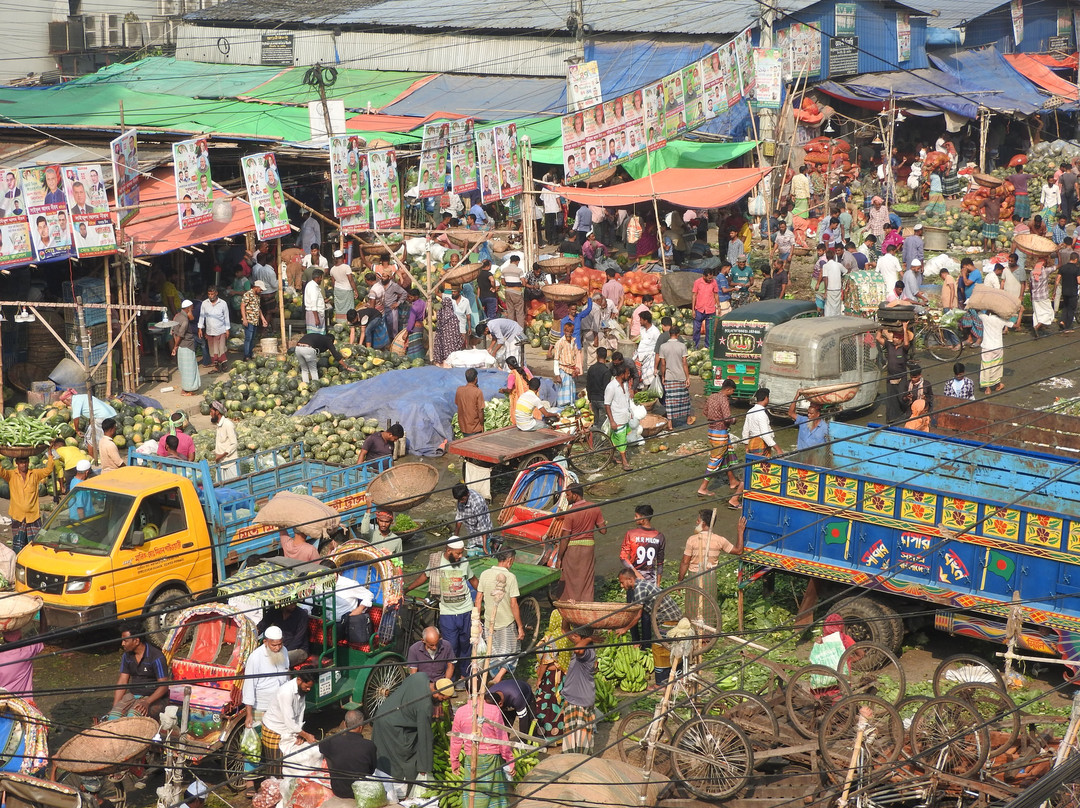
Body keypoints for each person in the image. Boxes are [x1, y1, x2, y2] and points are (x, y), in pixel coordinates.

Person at [407, 539, 478, 686]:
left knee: (466, 645)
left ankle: (464, 676)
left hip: (466, 610)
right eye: (458, 553)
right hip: (447, 613)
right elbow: (424, 576)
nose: (460, 556)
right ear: (448, 551)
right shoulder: (436, 562)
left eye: (461, 553)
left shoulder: (464, 563)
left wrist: (484, 594)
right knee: (450, 646)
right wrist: (407, 589)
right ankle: (450, 679)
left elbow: (473, 580)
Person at [372, 673, 453, 796]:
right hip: (393, 726)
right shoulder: (425, 706)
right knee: (400, 754)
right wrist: (424, 767)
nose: (442, 702)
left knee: (382, 752)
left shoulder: (420, 677)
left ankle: (381, 778)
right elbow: (425, 736)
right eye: (443, 699)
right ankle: (398, 785)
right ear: (438, 693)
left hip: (382, 714)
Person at [241, 625, 290, 792]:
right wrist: (249, 714)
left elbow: (286, 675)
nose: (277, 648)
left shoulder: (284, 651)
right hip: (260, 707)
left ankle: (274, 778)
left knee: (276, 743)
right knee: (254, 745)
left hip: (279, 707)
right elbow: (249, 686)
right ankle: (249, 783)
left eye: (280, 644)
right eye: (274, 645)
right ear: (266, 642)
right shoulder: (255, 658)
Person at [450, 691, 515, 808]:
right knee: (494, 794)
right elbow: (502, 738)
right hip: (491, 758)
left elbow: (456, 740)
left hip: (471, 757)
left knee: (474, 792)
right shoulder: (494, 710)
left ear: (467, 691)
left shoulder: (460, 711)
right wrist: (509, 760)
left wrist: (454, 761)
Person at [474, 548, 524, 683]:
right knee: (512, 650)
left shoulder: (485, 574)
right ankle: (498, 677)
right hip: (506, 622)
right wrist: (520, 626)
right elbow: (513, 604)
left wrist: (477, 621)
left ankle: (495, 677)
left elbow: (478, 599)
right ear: (510, 560)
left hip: (489, 621)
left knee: (493, 652)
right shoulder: (510, 577)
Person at [260, 667, 318, 777]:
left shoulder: (301, 691)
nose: (308, 689)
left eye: (310, 687)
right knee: (276, 767)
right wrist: (306, 735)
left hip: (288, 730)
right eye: (307, 686)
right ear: (299, 680)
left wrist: (299, 734)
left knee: (287, 765)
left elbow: (300, 714)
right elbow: (290, 721)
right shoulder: (286, 692)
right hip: (274, 730)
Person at [556, 484, 606, 602]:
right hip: (588, 549)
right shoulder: (595, 507)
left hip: (572, 550)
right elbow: (603, 531)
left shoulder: (571, 513)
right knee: (587, 580)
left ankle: (569, 604)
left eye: (568, 495)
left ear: (575, 495)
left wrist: (559, 557)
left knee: (569, 580)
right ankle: (586, 605)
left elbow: (565, 538)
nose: (567, 497)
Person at [110, 623, 169, 719]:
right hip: (133, 695)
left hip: (153, 697)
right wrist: (114, 706)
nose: (122, 644)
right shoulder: (126, 656)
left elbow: (164, 686)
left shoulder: (156, 657)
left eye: (125, 641)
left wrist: (147, 702)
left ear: (136, 641)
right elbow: (122, 681)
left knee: (133, 718)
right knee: (113, 718)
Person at [0, 449, 55, 553]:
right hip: (18, 516)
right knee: (19, 545)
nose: (23, 465)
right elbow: (1, 471)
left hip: (33, 516)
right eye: (21, 462)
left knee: (35, 545)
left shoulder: (35, 474)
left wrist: (50, 454)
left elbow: (48, 470)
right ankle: (20, 560)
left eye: (25, 462)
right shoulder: (11, 475)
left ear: (28, 462)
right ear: (17, 463)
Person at [697, 378, 741, 506]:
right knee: (716, 459)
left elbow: (705, 412)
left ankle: (732, 481)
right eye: (732, 391)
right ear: (728, 389)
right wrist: (734, 420)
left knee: (726, 454)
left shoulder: (712, 397)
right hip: (720, 433)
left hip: (711, 431)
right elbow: (727, 418)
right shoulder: (724, 399)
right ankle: (703, 487)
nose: (732, 394)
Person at [319, 710, 378, 799]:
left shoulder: (332, 742)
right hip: (361, 791)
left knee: (329, 755)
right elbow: (372, 769)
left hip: (339, 791)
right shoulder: (369, 746)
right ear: (361, 727)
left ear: (344, 724)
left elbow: (321, 747)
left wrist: (341, 731)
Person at [561, 629, 597, 754]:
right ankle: (572, 759)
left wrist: (589, 638)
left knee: (581, 738)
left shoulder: (587, 652)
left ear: (583, 639)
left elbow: (578, 650)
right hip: (574, 698)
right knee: (571, 735)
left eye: (575, 636)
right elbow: (564, 630)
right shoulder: (583, 648)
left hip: (580, 701)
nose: (572, 638)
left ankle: (581, 760)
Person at [657, 321, 692, 428]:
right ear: (678, 334)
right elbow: (684, 363)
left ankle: (670, 423)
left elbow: (663, 364)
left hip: (669, 376)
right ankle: (688, 418)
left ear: (669, 334)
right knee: (684, 398)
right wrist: (687, 377)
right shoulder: (682, 346)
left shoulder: (663, 347)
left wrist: (663, 376)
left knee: (670, 400)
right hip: (681, 376)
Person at [620, 504, 665, 585]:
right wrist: (658, 584)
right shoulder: (659, 536)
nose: (634, 518)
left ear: (643, 519)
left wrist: (637, 574)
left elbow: (623, 557)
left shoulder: (631, 534)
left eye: (636, 516)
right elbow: (660, 563)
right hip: (651, 579)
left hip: (634, 578)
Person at [876, 324, 912, 424]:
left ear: (901, 339)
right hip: (890, 377)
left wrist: (904, 328)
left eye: (896, 337)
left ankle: (905, 413)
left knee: (902, 397)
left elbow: (906, 343)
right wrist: (880, 327)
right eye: (894, 337)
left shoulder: (904, 349)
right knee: (891, 399)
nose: (894, 339)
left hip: (901, 377)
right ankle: (892, 418)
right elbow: (878, 338)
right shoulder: (889, 345)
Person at [603, 364, 634, 470]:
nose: (629, 375)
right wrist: (612, 421)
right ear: (622, 374)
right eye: (627, 373)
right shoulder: (611, 387)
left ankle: (611, 455)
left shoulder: (625, 384)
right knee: (621, 441)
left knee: (618, 439)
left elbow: (626, 400)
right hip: (617, 418)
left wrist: (630, 412)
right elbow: (607, 405)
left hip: (625, 417)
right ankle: (624, 462)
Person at [0, 629, 42, 701]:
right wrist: (43, 621)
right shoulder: (27, 651)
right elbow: (43, 637)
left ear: (4, 638)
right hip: (24, 703)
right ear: (20, 636)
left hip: (2, 701)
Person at [453, 482, 494, 556]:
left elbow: (482, 526)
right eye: (459, 500)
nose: (460, 502)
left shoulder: (477, 502)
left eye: (462, 499)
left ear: (467, 494)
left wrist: (484, 547)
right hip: (471, 533)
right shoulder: (460, 500)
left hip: (483, 534)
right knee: (471, 556)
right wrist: (455, 539)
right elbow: (459, 519)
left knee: (483, 557)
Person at [171, 299, 202, 394]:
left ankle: (185, 388)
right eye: (191, 309)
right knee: (190, 368)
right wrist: (175, 346)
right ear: (188, 309)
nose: (192, 310)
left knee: (184, 368)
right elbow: (180, 335)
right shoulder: (185, 321)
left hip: (181, 347)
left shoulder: (177, 316)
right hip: (187, 346)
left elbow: (173, 332)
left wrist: (176, 346)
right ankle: (189, 389)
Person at [198, 286, 231, 370]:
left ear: (216, 293)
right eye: (209, 294)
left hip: (221, 330)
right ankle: (216, 366)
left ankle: (224, 365)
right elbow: (202, 317)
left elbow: (226, 317)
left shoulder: (223, 303)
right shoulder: (204, 303)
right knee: (212, 350)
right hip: (210, 331)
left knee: (221, 348)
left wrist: (227, 329)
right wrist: (200, 328)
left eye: (212, 294)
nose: (210, 296)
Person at [979, 309, 1010, 393]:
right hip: (998, 347)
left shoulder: (985, 318)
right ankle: (998, 384)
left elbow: (977, 310)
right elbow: (1016, 325)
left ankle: (987, 388)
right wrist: (1020, 312)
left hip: (987, 347)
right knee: (997, 366)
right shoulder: (1001, 320)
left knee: (986, 367)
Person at [742, 387, 777, 457]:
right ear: (766, 398)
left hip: (751, 444)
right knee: (762, 463)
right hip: (760, 445)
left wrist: (746, 446)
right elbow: (765, 435)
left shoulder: (750, 411)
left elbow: (745, 431)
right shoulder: (762, 414)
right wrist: (778, 449)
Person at [692, 269, 720, 349]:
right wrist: (693, 310)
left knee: (709, 330)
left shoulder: (714, 282)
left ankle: (708, 347)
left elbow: (716, 294)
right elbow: (694, 296)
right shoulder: (697, 282)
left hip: (710, 310)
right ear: (704, 276)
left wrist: (718, 306)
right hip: (699, 309)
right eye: (709, 278)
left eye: (711, 278)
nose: (711, 280)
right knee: (696, 330)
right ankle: (695, 346)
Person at [210, 401, 239, 479]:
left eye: (211, 412)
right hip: (220, 464)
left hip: (230, 463)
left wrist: (221, 455)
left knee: (234, 483)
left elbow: (234, 443)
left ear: (217, 412)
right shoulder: (218, 425)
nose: (210, 414)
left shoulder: (228, 424)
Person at [585, 346, 612, 427]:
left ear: (597, 355)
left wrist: (590, 399)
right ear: (606, 356)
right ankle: (599, 435)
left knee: (596, 422)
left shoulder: (591, 368)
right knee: (602, 423)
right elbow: (607, 388)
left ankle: (595, 434)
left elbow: (588, 385)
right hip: (602, 399)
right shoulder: (606, 371)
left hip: (593, 399)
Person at [455, 368, 485, 437]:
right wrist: (482, 424)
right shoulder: (478, 392)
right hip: (475, 428)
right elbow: (480, 411)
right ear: (476, 379)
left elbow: (457, 403)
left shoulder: (459, 390)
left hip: (463, 426)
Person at [329, 251, 357, 322]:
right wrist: (355, 290)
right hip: (347, 290)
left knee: (339, 308)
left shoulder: (332, 269)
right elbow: (351, 280)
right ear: (342, 257)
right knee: (348, 308)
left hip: (337, 290)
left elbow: (333, 282)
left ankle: (339, 321)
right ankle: (348, 322)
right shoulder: (346, 267)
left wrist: (335, 290)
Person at [1058, 251, 1080, 331]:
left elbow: (1057, 279)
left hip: (1064, 291)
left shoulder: (1063, 267)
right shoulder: (1077, 269)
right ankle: (1068, 327)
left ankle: (1062, 321)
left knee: (1065, 307)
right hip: (1073, 291)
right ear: (1076, 259)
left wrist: (1054, 291)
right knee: (1071, 309)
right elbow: (1079, 281)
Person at [821, 248, 845, 317]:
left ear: (826, 257)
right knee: (837, 306)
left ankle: (829, 318)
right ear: (834, 256)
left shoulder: (825, 266)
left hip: (830, 288)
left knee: (829, 306)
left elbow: (825, 278)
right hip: (838, 288)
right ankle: (836, 318)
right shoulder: (838, 265)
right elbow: (845, 271)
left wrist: (825, 290)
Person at [303, 269, 327, 334]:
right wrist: (316, 318)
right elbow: (313, 304)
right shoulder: (313, 287)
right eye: (321, 278)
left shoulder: (311, 285)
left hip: (314, 313)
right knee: (315, 335)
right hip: (315, 314)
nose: (321, 280)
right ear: (318, 277)